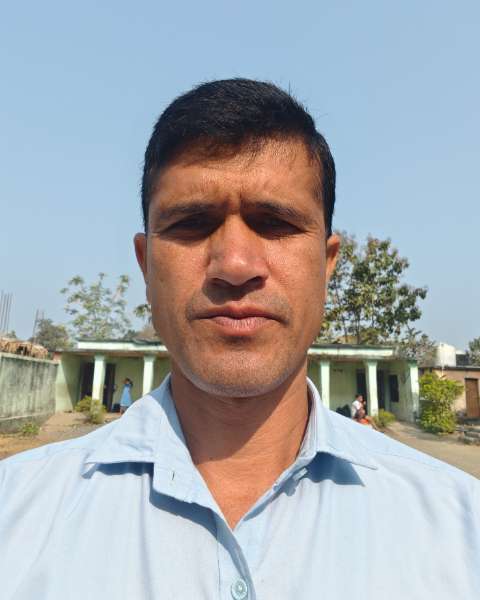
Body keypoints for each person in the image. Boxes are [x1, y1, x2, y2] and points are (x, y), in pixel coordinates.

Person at [0, 79, 478, 599]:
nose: (234, 265)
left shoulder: (459, 528)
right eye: (191, 223)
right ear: (146, 263)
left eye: (275, 222)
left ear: (327, 264)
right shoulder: (17, 515)